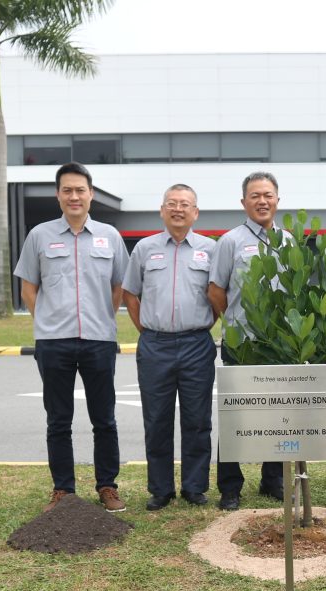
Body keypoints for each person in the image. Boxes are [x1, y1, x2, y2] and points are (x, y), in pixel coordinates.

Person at [14, 162, 129, 512]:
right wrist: (48, 321)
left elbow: (119, 286)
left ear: (91, 194)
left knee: (104, 419)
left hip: (99, 340)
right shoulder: (40, 236)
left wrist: (102, 319)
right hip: (54, 343)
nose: (74, 196)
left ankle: (107, 486)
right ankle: (63, 489)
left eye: (81, 190)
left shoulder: (109, 236)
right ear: (58, 195)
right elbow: (28, 288)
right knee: (58, 420)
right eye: (68, 190)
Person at [122, 184, 216, 511]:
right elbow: (130, 293)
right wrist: (145, 329)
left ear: (195, 212)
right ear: (162, 210)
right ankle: (160, 489)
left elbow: (217, 294)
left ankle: (194, 487)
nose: (178, 209)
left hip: (197, 344)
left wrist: (206, 322)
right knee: (157, 420)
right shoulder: (145, 249)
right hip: (155, 345)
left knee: (197, 419)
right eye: (172, 204)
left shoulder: (210, 249)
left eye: (185, 204)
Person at [207, 171, 291, 511]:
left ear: (277, 200)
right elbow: (216, 291)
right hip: (242, 344)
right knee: (235, 416)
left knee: (277, 415)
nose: (262, 201)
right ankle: (230, 487)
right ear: (244, 202)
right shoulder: (230, 241)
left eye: (268, 195)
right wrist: (237, 324)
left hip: (278, 344)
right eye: (255, 195)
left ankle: (273, 479)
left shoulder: (289, 242)